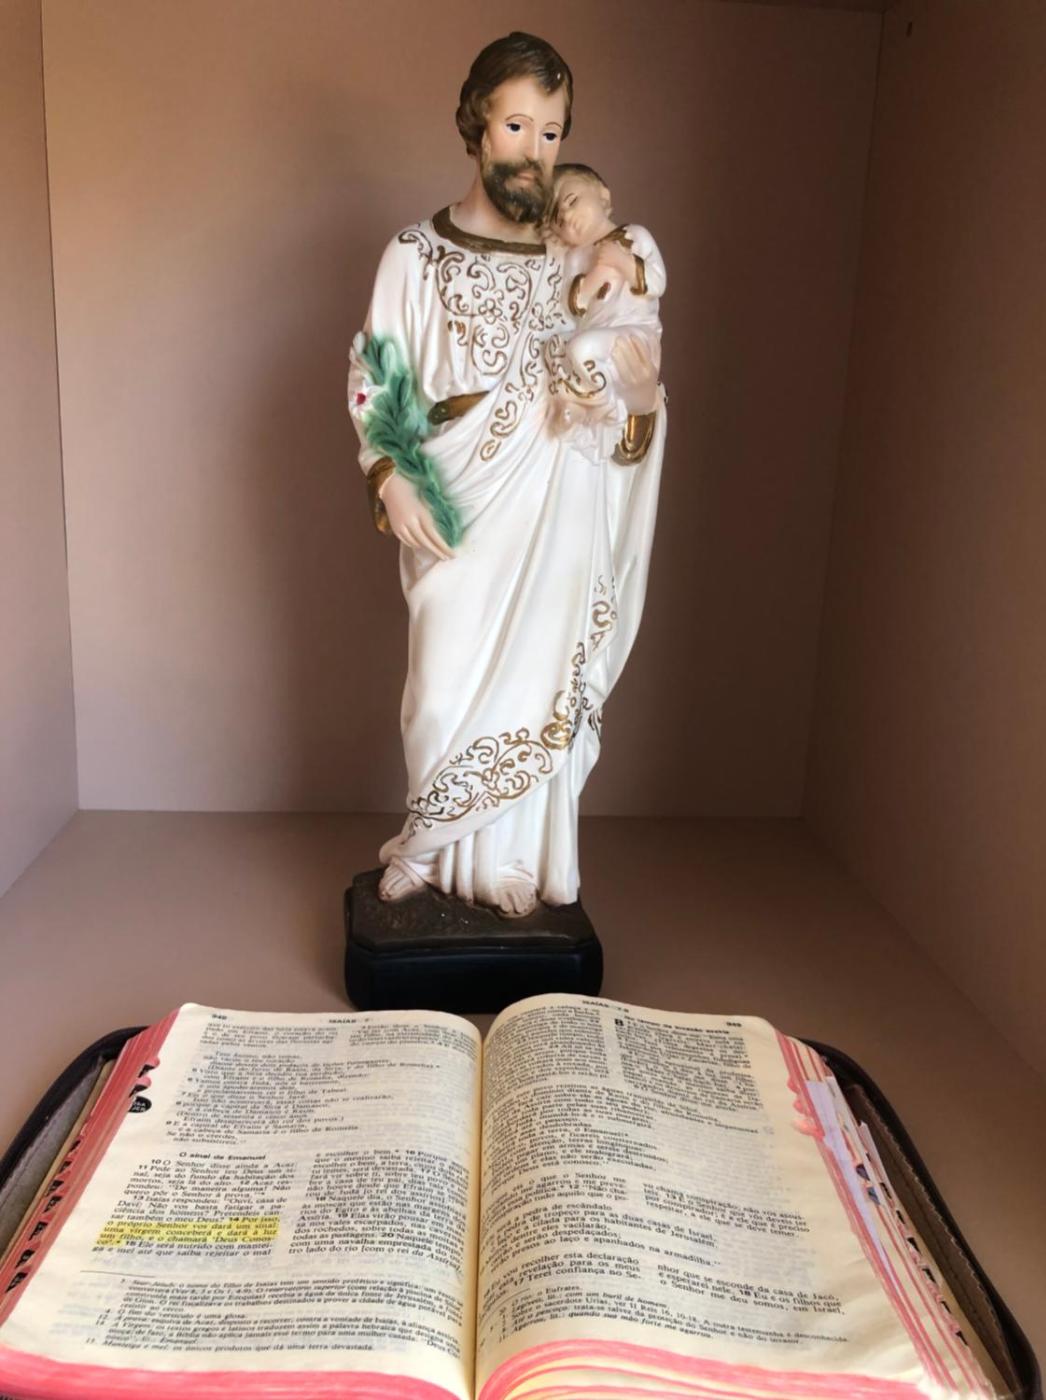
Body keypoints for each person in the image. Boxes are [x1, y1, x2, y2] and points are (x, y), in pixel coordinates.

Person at [348, 32, 666, 917]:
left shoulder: (578, 260)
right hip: (458, 503)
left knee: (538, 679)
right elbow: (379, 374)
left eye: (552, 132)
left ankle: (514, 862)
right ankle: (427, 847)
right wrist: (392, 476)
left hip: (557, 510)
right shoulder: (415, 255)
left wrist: (638, 401)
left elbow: (624, 388)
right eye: (517, 125)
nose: (533, 150)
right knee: (440, 688)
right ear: (477, 126)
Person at [543, 163, 666, 464]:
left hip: (633, 334)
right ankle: (585, 404)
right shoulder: (575, 258)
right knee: (559, 349)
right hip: (597, 334)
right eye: (558, 219)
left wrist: (624, 263)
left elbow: (657, 282)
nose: (567, 216)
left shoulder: (635, 236)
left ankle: (602, 406)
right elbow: (574, 304)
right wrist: (596, 275)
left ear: (603, 195)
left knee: (580, 349)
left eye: (572, 201)